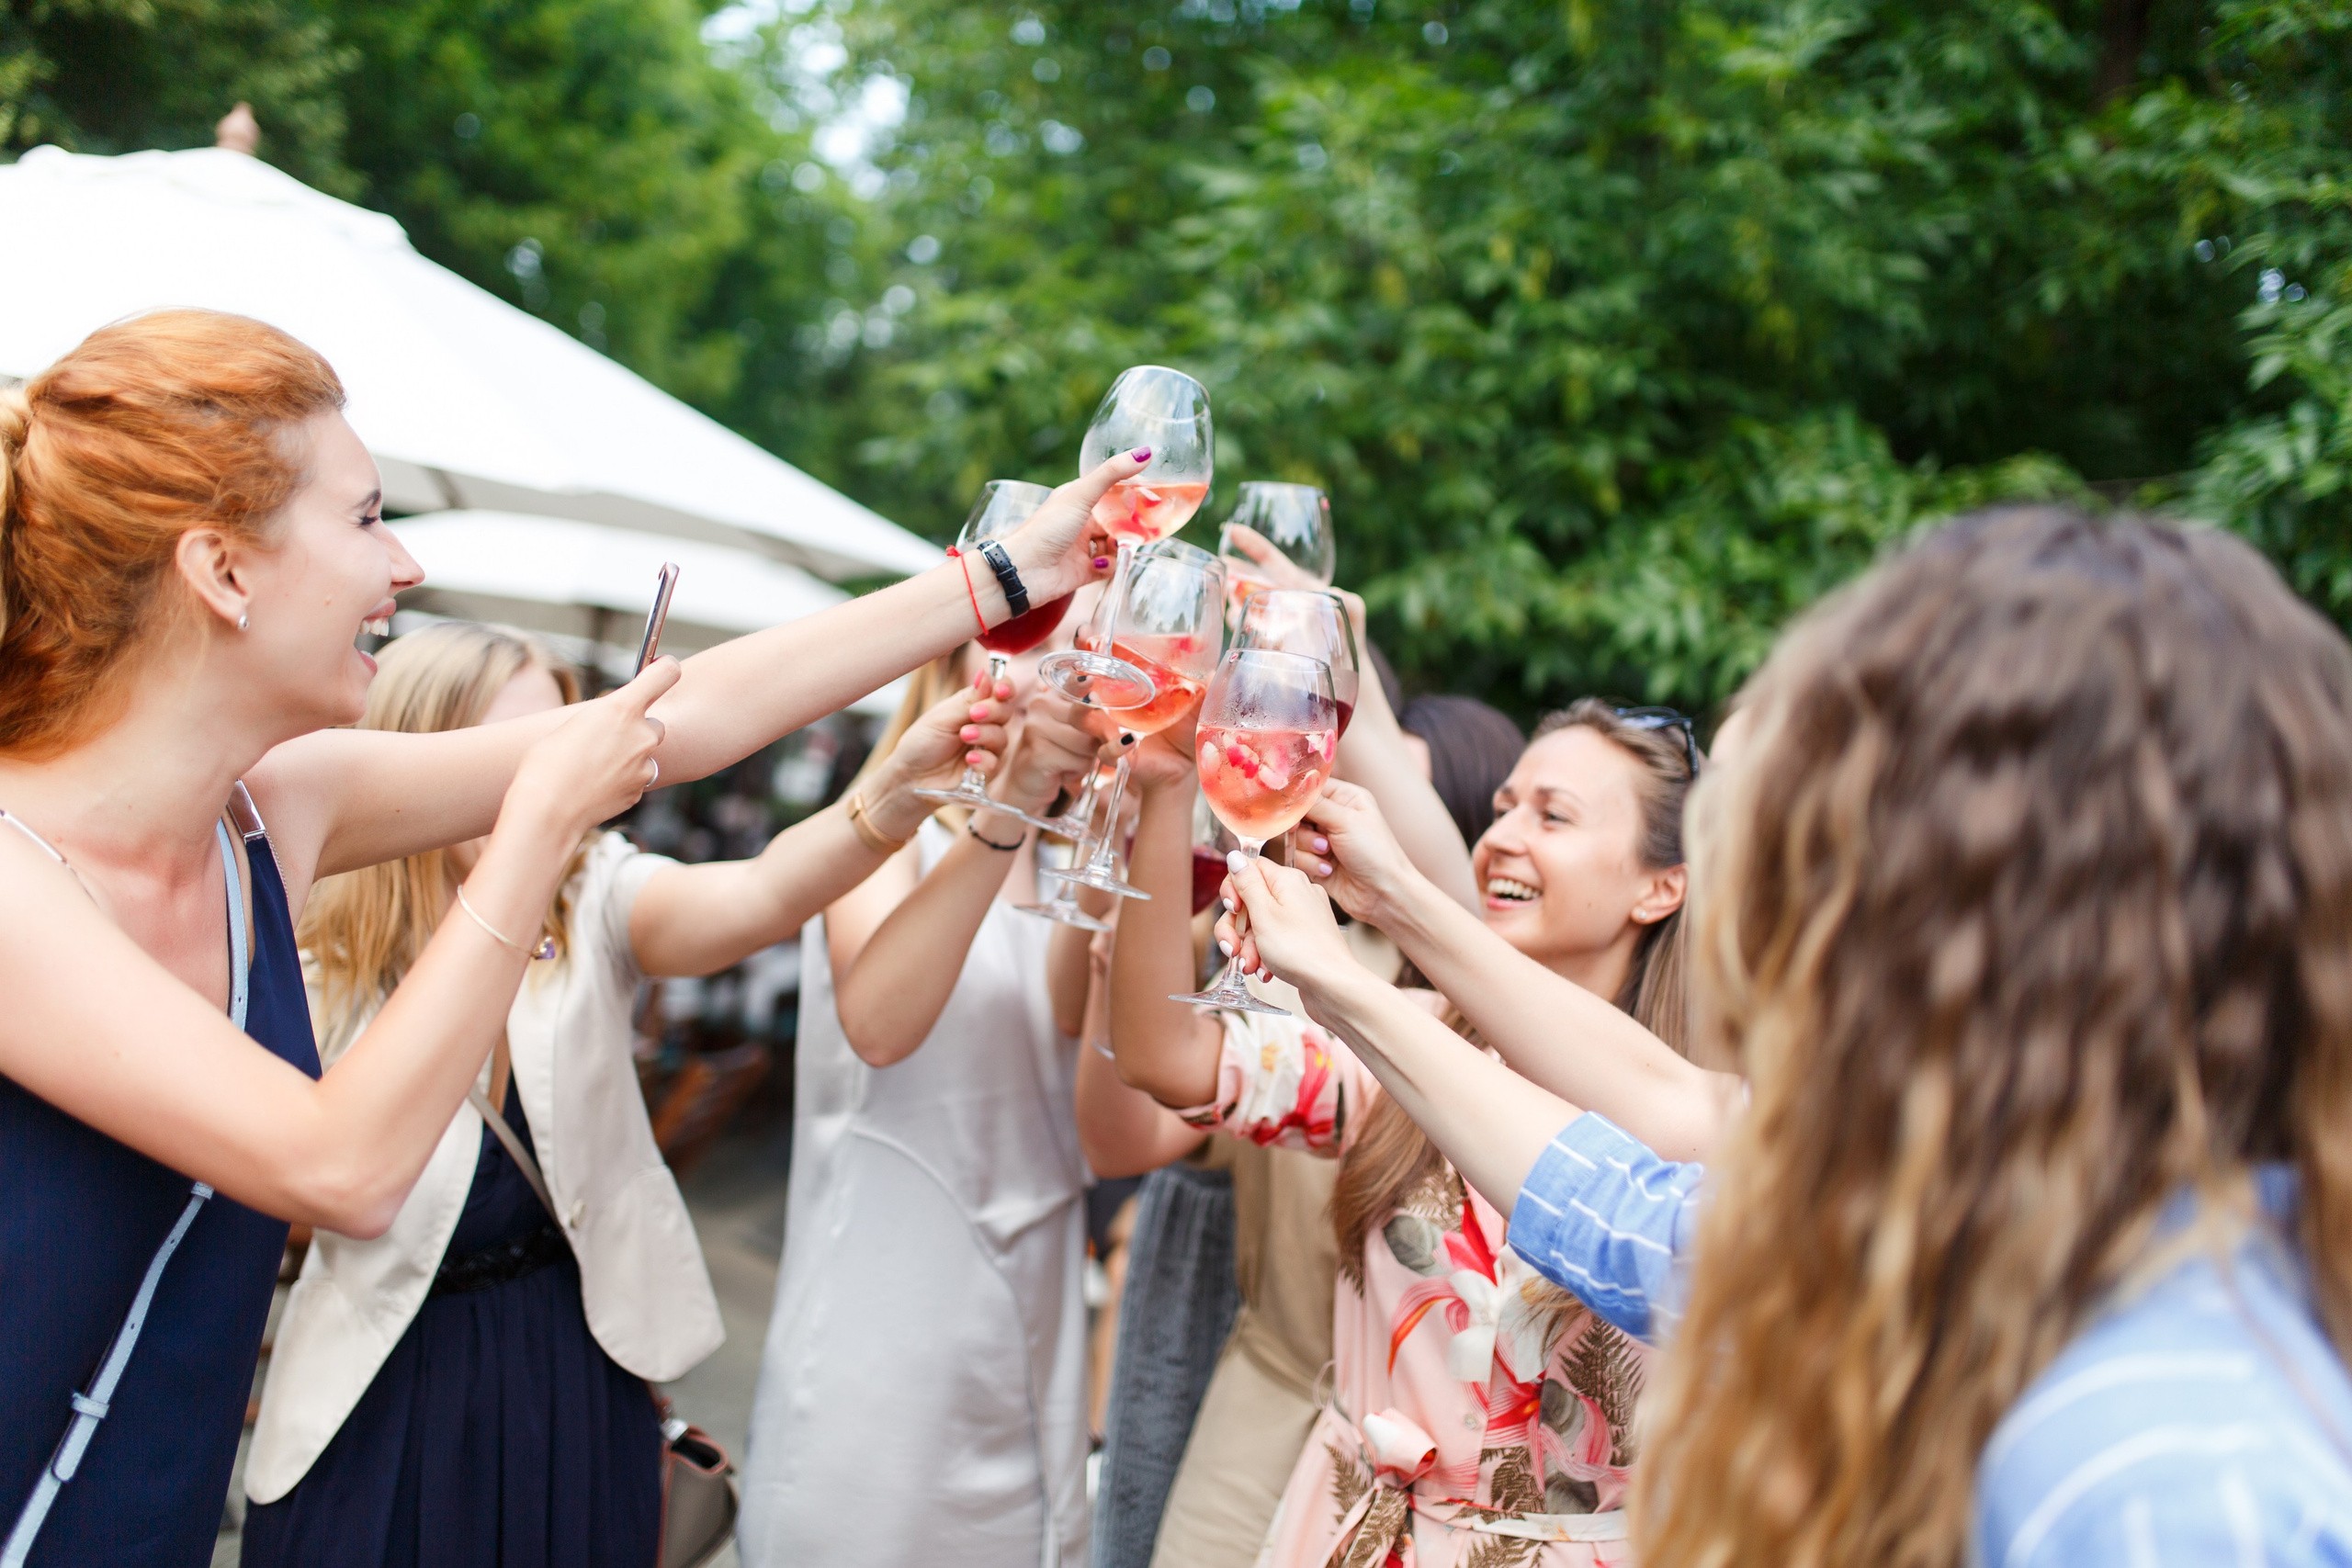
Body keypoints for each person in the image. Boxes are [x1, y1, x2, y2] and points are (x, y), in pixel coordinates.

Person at [0, 308, 1129, 1565]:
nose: (405, 572)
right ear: (223, 570)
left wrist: (1003, 577)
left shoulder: (272, 812)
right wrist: (538, 827)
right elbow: (342, 1165)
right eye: (368, 519)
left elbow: (677, 719)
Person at [1220, 510, 2352, 1564]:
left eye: (1791, 848)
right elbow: (1623, 1208)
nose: (1746, 912)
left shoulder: (2161, 1487)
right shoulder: (1969, 1215)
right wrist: (1363, 951)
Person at [236, 622, 1013, 1566]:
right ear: (418, 763)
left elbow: (759, 895)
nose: (554, 781)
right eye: (515, 755)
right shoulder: (309, 955)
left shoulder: (591, 891)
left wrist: (892, 795)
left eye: (566, 747)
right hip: (379, 1378)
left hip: (573, 1360)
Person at [1106, 696, 1702, 1566]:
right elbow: (1165, 1055)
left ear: (1662, 885)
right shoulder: (1406, 1044)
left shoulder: (1705, 1126)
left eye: (1553, 815)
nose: (1502, 836)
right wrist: (1164, 796)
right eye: (1501, 808)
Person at [1080, 678, 1517, 1568]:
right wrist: (1117, 962)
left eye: (1391, 791)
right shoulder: (1285, 963)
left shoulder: (1522, 1041)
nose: (1349, 814)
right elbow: (1125, 1130)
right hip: (1276, 1398)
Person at [737, 649, 1106, 1568]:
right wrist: (1009, 802)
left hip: (1032, 1326)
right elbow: (880, 1024)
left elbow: (1074, 1024)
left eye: (1098, 643)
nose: (1075, 665)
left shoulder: (1077, 863)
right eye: (1035, 637)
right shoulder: (877, 831)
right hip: (885, 1323)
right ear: (956, 658)